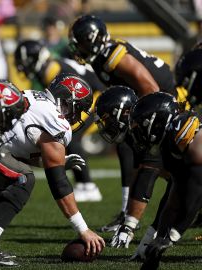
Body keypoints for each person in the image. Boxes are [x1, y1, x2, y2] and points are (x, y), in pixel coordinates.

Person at [68, 14, 182, 231]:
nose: (77, 48)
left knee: (144, 153)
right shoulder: (102, 58)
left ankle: (129, 215)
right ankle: (129, 212)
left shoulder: (113, 56)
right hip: (161, 101)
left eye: (80, 42)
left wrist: (138, 119)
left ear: (92, 39)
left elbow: (151, 89)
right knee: (148, 157)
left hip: (171, 101)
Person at [0, 75, 105, 265]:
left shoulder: (35, 97)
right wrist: (83, 229)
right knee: (22, 179)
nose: (76, 116)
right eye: (76, 108)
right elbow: (58, 182)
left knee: (13, 173)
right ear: (66, 100)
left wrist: (48, 161)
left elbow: (15, 149)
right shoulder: (55, 119)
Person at [14, 39, 104, 202]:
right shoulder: (47, 68)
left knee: (70, 135)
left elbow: (77, 92)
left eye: (24, 62)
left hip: (94, 97)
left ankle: (88, 185)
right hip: (85, 98)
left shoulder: (52, 69)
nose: (22, 67)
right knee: (64, 134)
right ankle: (83, 184)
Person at [129, 93, 202, 269]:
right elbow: (174, 202)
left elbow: (197, 191)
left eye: (142, 126)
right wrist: (157, 242)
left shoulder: (184, 132)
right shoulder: (169, 147)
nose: (137, 132)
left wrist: (171, 237)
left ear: (157, 121)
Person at [94, 86, 171, 251]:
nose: (105, 124)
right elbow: (138, 177)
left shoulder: (151, 128)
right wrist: (128, 218)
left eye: (107, 119)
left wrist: (130, 226)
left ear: (123, 113)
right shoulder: (135, 133)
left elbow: (148, 177)